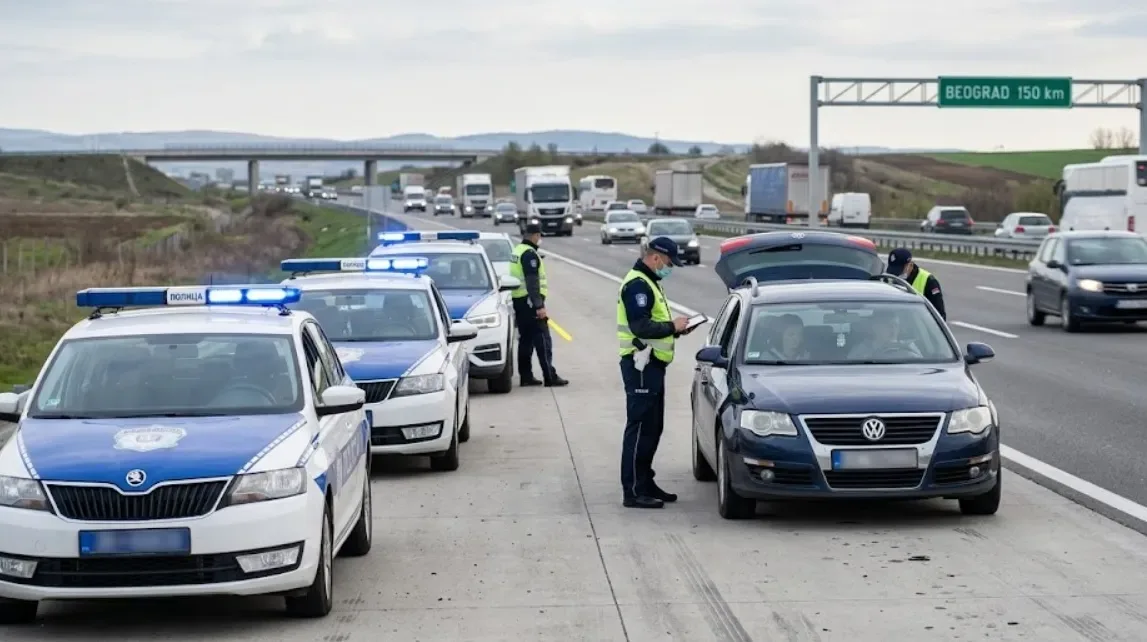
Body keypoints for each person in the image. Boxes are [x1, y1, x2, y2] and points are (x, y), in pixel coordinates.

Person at [617, 237, 694, 509]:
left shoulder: (650, 281)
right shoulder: (638, 284)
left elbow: (654, 324)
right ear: (656, 258)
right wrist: (672, 327)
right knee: (639, 429)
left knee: (653, 428)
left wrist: (677, 329)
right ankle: (633, 491)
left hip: (652, 365)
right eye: (670, 263)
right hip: (640, 366)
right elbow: (640, 326)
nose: (670, 268)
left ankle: (646, 482)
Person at [509, 224, 568, 387]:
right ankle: (550, 376)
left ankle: (526, 376)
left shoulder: (517, 250)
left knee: (525, 341)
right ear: (535, 235)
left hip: (519, 301)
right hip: (530, 302)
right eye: (539, 235)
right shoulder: (529, 254)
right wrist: (539, 305)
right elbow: (532, 282)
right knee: (543, 340)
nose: (539, 239)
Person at [886, 248, 946, 319]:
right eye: (893, 271)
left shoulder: (929, 281)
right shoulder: (889, 279)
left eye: (900, 270)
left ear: (910, 265)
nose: (896, 275)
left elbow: (939, 315)